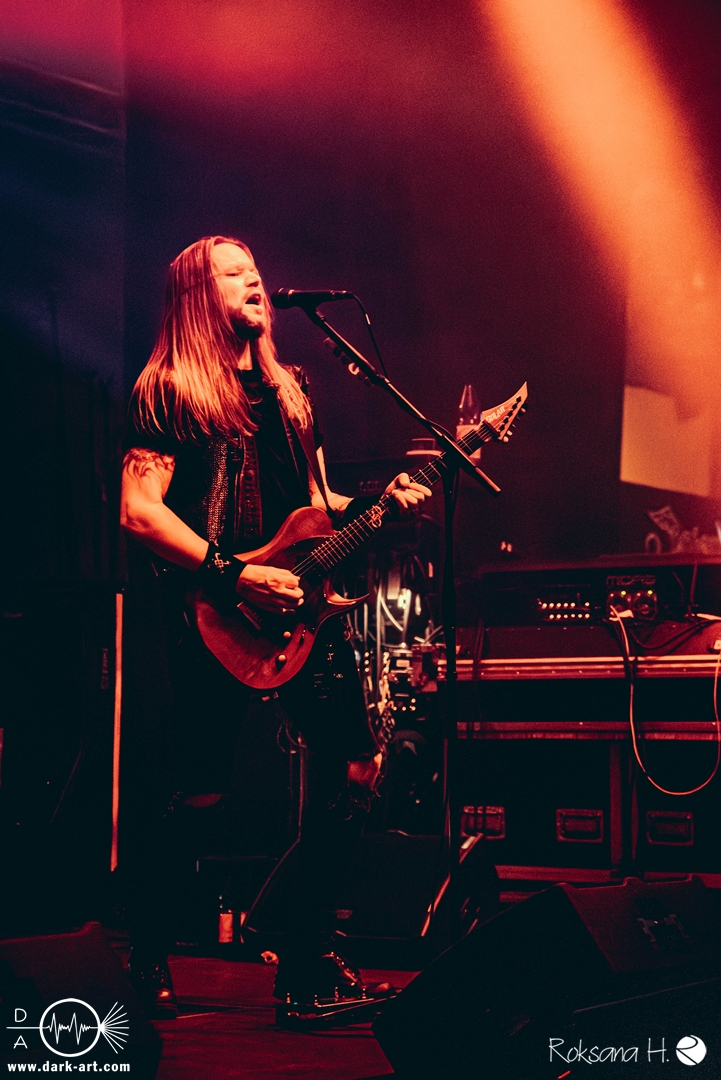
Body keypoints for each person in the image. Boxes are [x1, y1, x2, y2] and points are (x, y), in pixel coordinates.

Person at [120, 235, 430, 1017]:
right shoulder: (169, 390)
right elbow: (140, 511)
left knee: (355, 766)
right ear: (198, 296)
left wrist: (383, 504)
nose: (252, 280)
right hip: (214, 614)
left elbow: (318, 507)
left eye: (254, 270)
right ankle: (145, 952)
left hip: (302, 613)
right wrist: (234, 574)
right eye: (233, 273)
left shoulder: (292, 393)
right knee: (200, 791)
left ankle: (306, 961)